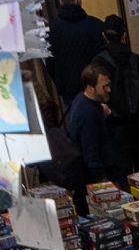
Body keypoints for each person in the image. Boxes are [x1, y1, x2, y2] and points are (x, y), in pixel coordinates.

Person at [95, 17, 139, 174]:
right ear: (124, 35)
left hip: (115, 127)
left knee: (122, 174)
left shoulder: (98, 63)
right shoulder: (137, 60)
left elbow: (94, 96)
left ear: (103, 35)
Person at [53, 64, 124, 198]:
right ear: (91, 88)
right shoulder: (88, 114)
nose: (109, 90)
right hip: (95, 177)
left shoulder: (82, 100)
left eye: (109, 85)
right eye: (104, 87)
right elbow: (91, 153)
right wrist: (104, 182)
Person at [45, 0, 105, 101]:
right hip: (95, 87)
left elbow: (50, 64)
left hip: (69, 91)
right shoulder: (96, 25)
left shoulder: (50, 30)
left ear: (61, 1)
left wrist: (61, 84)